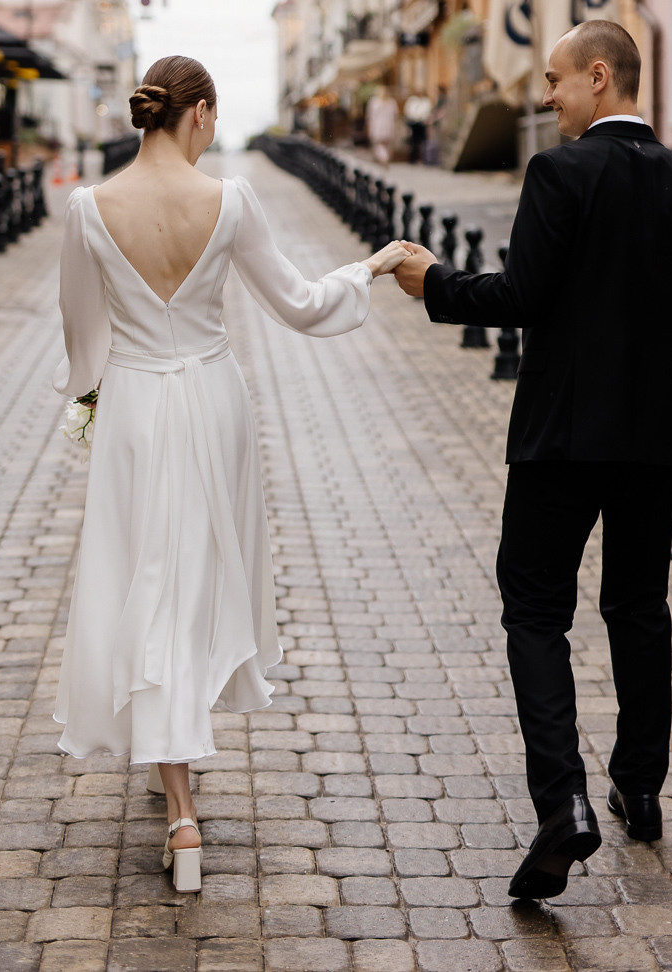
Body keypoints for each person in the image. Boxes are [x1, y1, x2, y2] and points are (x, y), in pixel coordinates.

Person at [393, 20, 672, 901]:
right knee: (638, 605)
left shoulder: (560, 171)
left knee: (535, 610)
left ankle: (564, 805)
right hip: (658, 444)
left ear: (597, 76)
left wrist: (430, 280)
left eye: (553, 81)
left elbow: (519, 296)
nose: (545, 99)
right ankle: (641, 790)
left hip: (562, 441)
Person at [53, 55, 408, 892]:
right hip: (216, 401)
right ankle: (179, 805)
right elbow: (299, 303)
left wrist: (90, 399)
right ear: (202, 116)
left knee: (148, 574)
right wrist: (373, 264)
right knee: (193, 578)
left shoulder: (87, 208)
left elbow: (80, 331)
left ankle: (175, 799)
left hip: (136, 405)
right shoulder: (230, 200)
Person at [365, 85, 398, 166]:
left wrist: (368, 126)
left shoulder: (374, 102)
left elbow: (369, 115)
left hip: (378, 125)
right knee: (386, 144)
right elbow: (396, 114)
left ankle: (383, 157)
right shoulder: (392, 102)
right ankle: (385, 157)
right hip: (388, 125)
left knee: (378, 144)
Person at [403, 91, 433, 165]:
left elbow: (427, 112)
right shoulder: (412, 100)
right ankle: (413, 158)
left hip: (422, 123)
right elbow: (408, 111)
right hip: (413, 123)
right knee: (414, 141)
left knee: (423, 141)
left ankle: (424, 158)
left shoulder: (426, 101)